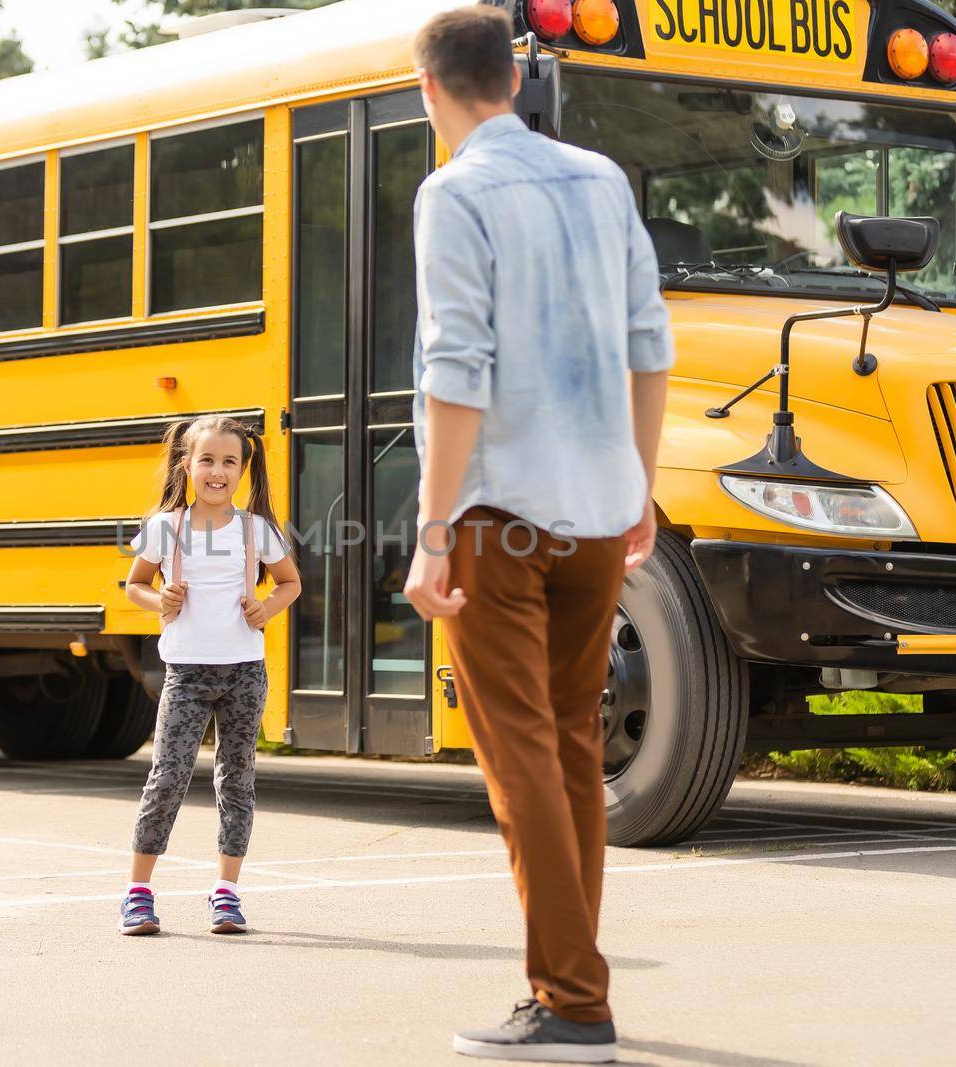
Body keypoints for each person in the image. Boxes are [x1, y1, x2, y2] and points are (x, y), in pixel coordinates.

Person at [402, 5, 674, 1062]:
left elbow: (453, 366)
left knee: (521, 756)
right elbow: (651, 340)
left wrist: (432, 529)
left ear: (432, 91)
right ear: (511, 78)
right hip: (600, 508)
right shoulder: (602, 180)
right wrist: (638, 485)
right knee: (567, 747)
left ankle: (570, 1001)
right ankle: (568, 988)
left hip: (497, 516)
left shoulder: (453, 190)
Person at [119, 415, 302, 936]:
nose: (217, 471)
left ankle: (227, 893)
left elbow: (290, 583)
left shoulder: (255, 529)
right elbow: (134, 585)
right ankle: (138, 894)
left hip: (244, 671)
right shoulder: (164, 527)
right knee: (168, 776)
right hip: (187, 671)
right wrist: (160, 599)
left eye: (229, 462)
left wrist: (266, 608)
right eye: (207, 460)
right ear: (187, 464)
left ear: (243, 470)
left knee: (236, 779)